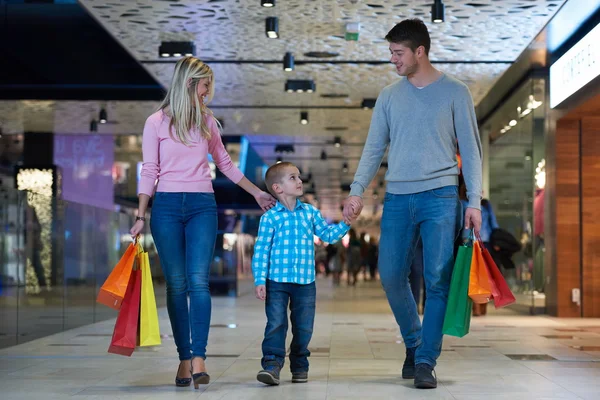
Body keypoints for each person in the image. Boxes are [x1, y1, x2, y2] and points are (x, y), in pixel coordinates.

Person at [343, 19, 482, 389]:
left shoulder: (456, 92)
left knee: (438, 279)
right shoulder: (390, 95)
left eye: (398, 53)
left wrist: (474, 202)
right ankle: (414, 339)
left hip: (441, 196)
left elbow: (471, 150)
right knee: (390, 275)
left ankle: (425, 361)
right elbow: (374, 147)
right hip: (399, 196)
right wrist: (357, 189)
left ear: (420, 51)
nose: (393, 60)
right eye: (391, 53)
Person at [129, 56, 276, 389]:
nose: (209, 91)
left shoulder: (207, 122)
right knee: (177, 285)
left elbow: (225, 163)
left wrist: (256, 192)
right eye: (205, 84)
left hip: (201, 206)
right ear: (189, 83)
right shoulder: (155, 122)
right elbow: (149, 170)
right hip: (165, 207)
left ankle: (198, 357)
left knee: (198, 281)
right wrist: (140, 214)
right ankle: (183, 358)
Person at [252, 162, 351, 386]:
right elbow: (261, 250)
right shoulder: (270, 218)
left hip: (305, 282)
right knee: (276, 323)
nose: (299, 181)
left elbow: (327, 234)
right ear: (277, 188)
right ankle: (272, 365)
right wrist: (260, 279)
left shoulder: (310, 213)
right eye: (293, 178)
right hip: (276, 281)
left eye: (299, 177)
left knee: (304, 326)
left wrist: (346, 222)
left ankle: (300, 365)